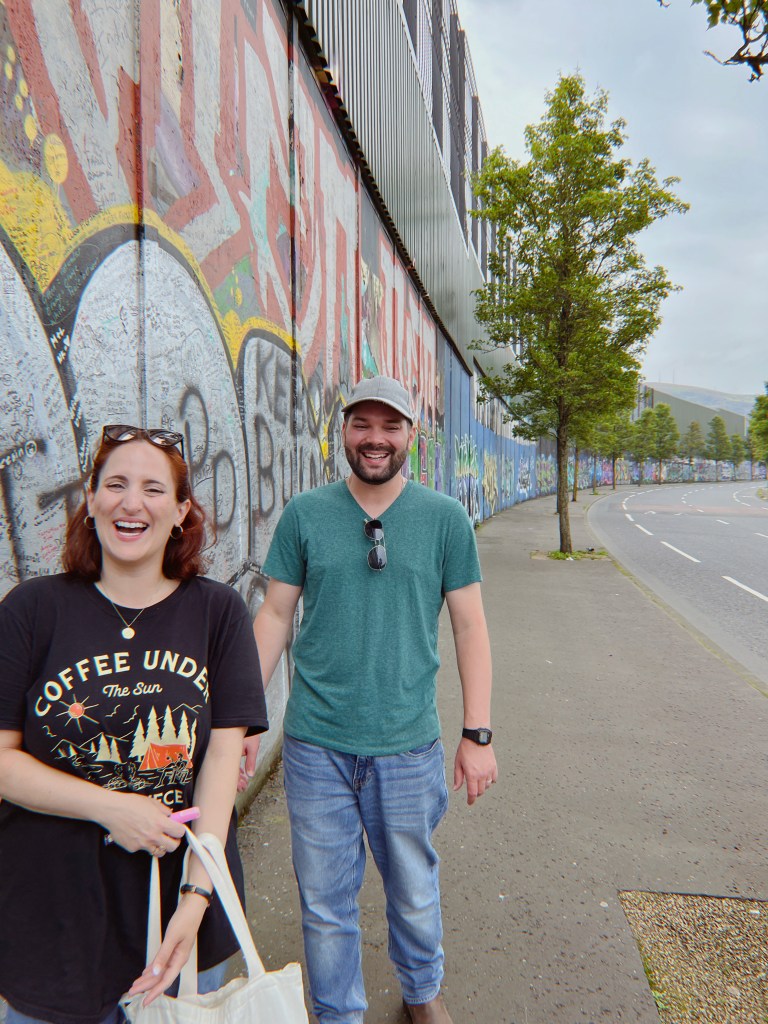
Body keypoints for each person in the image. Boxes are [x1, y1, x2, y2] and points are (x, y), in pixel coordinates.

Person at [242, 376, 497, 1024]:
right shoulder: (306, 514)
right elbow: (274, 615)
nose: (375, 438)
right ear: (344, 430)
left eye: (390, 425)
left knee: (413, 891)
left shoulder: (444, 519)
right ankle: (338, 1014)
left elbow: (470, 626)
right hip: (315, 745)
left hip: (406, 745)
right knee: (325, 901)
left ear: (412, 434)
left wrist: (477, 734)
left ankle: (422, 993)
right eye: (362, 423)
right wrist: (242, 717)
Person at [0, 424, 267, 1024]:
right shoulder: (32, 610)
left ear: (181, 511)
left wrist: (196, 899)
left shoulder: (217, 612)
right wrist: (110, 808)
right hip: (51, 917)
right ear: (91, 498)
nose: (131, 503)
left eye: (153, 489)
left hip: (179, 906)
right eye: (116, 484)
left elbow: (220, 765)